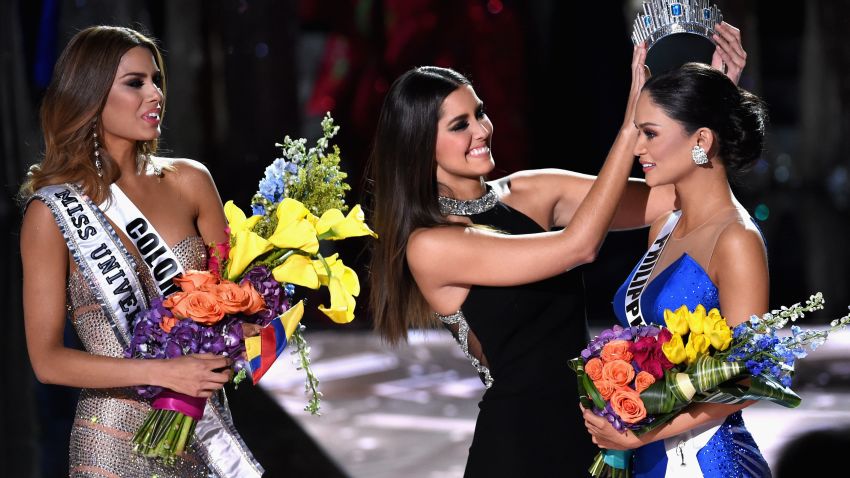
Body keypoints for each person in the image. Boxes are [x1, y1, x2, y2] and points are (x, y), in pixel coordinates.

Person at [19, 26, 261, 477]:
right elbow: (47, 361)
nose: (155, 94)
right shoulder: (51, 213)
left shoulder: (191, 181)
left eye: (157, 81)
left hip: (201, 434)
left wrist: (254, 323)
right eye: (135, 83)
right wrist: (166, 373)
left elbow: (237, 298)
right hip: (110, 441)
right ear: (90, 95)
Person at [582, 63, 772, 476]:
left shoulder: (736, 240)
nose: (638, 149)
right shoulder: (662, 227)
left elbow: (750, 380)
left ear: (701, 139)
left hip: (708, 461)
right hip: (646, 456)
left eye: (650, 133)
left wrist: (644, 432)